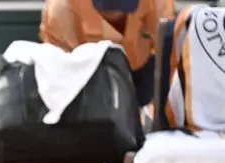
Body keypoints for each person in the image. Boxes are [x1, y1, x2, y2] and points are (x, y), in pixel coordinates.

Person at [39, 0, 176, 107]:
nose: (116, 13)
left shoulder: (159, 3)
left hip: (140, 76)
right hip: (85, 81)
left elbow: (168, 57)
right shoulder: (61, 8)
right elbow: (60, 74)